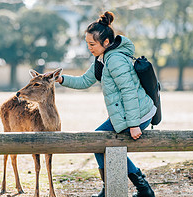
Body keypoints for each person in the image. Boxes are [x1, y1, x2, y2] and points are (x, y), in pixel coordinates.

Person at [56, 11, 156, 197]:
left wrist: (134, 125)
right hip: (128, 114)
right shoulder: (103, 59)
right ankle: (125, 188)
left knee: (102, 142)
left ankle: (143, 189)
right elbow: (84, 81)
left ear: (106, 43)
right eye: (87, 44)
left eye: (92, 44)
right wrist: (61, 79)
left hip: (138, 114)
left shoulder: (115, 60)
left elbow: (129, 92)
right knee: (100, 142)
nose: (89, 48)